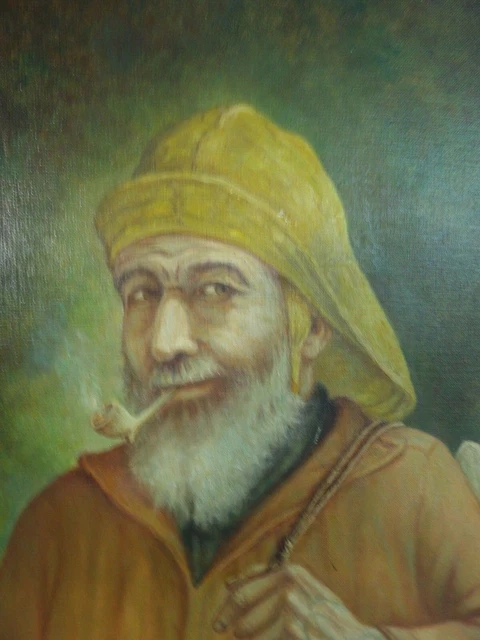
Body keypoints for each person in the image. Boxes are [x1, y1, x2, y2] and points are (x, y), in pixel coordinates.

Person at [1, 104, 480, 640]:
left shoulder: (412, 484)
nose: (165, 343)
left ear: (311, 328)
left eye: (215, 289)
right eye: (142, 293)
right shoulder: (60, 525)